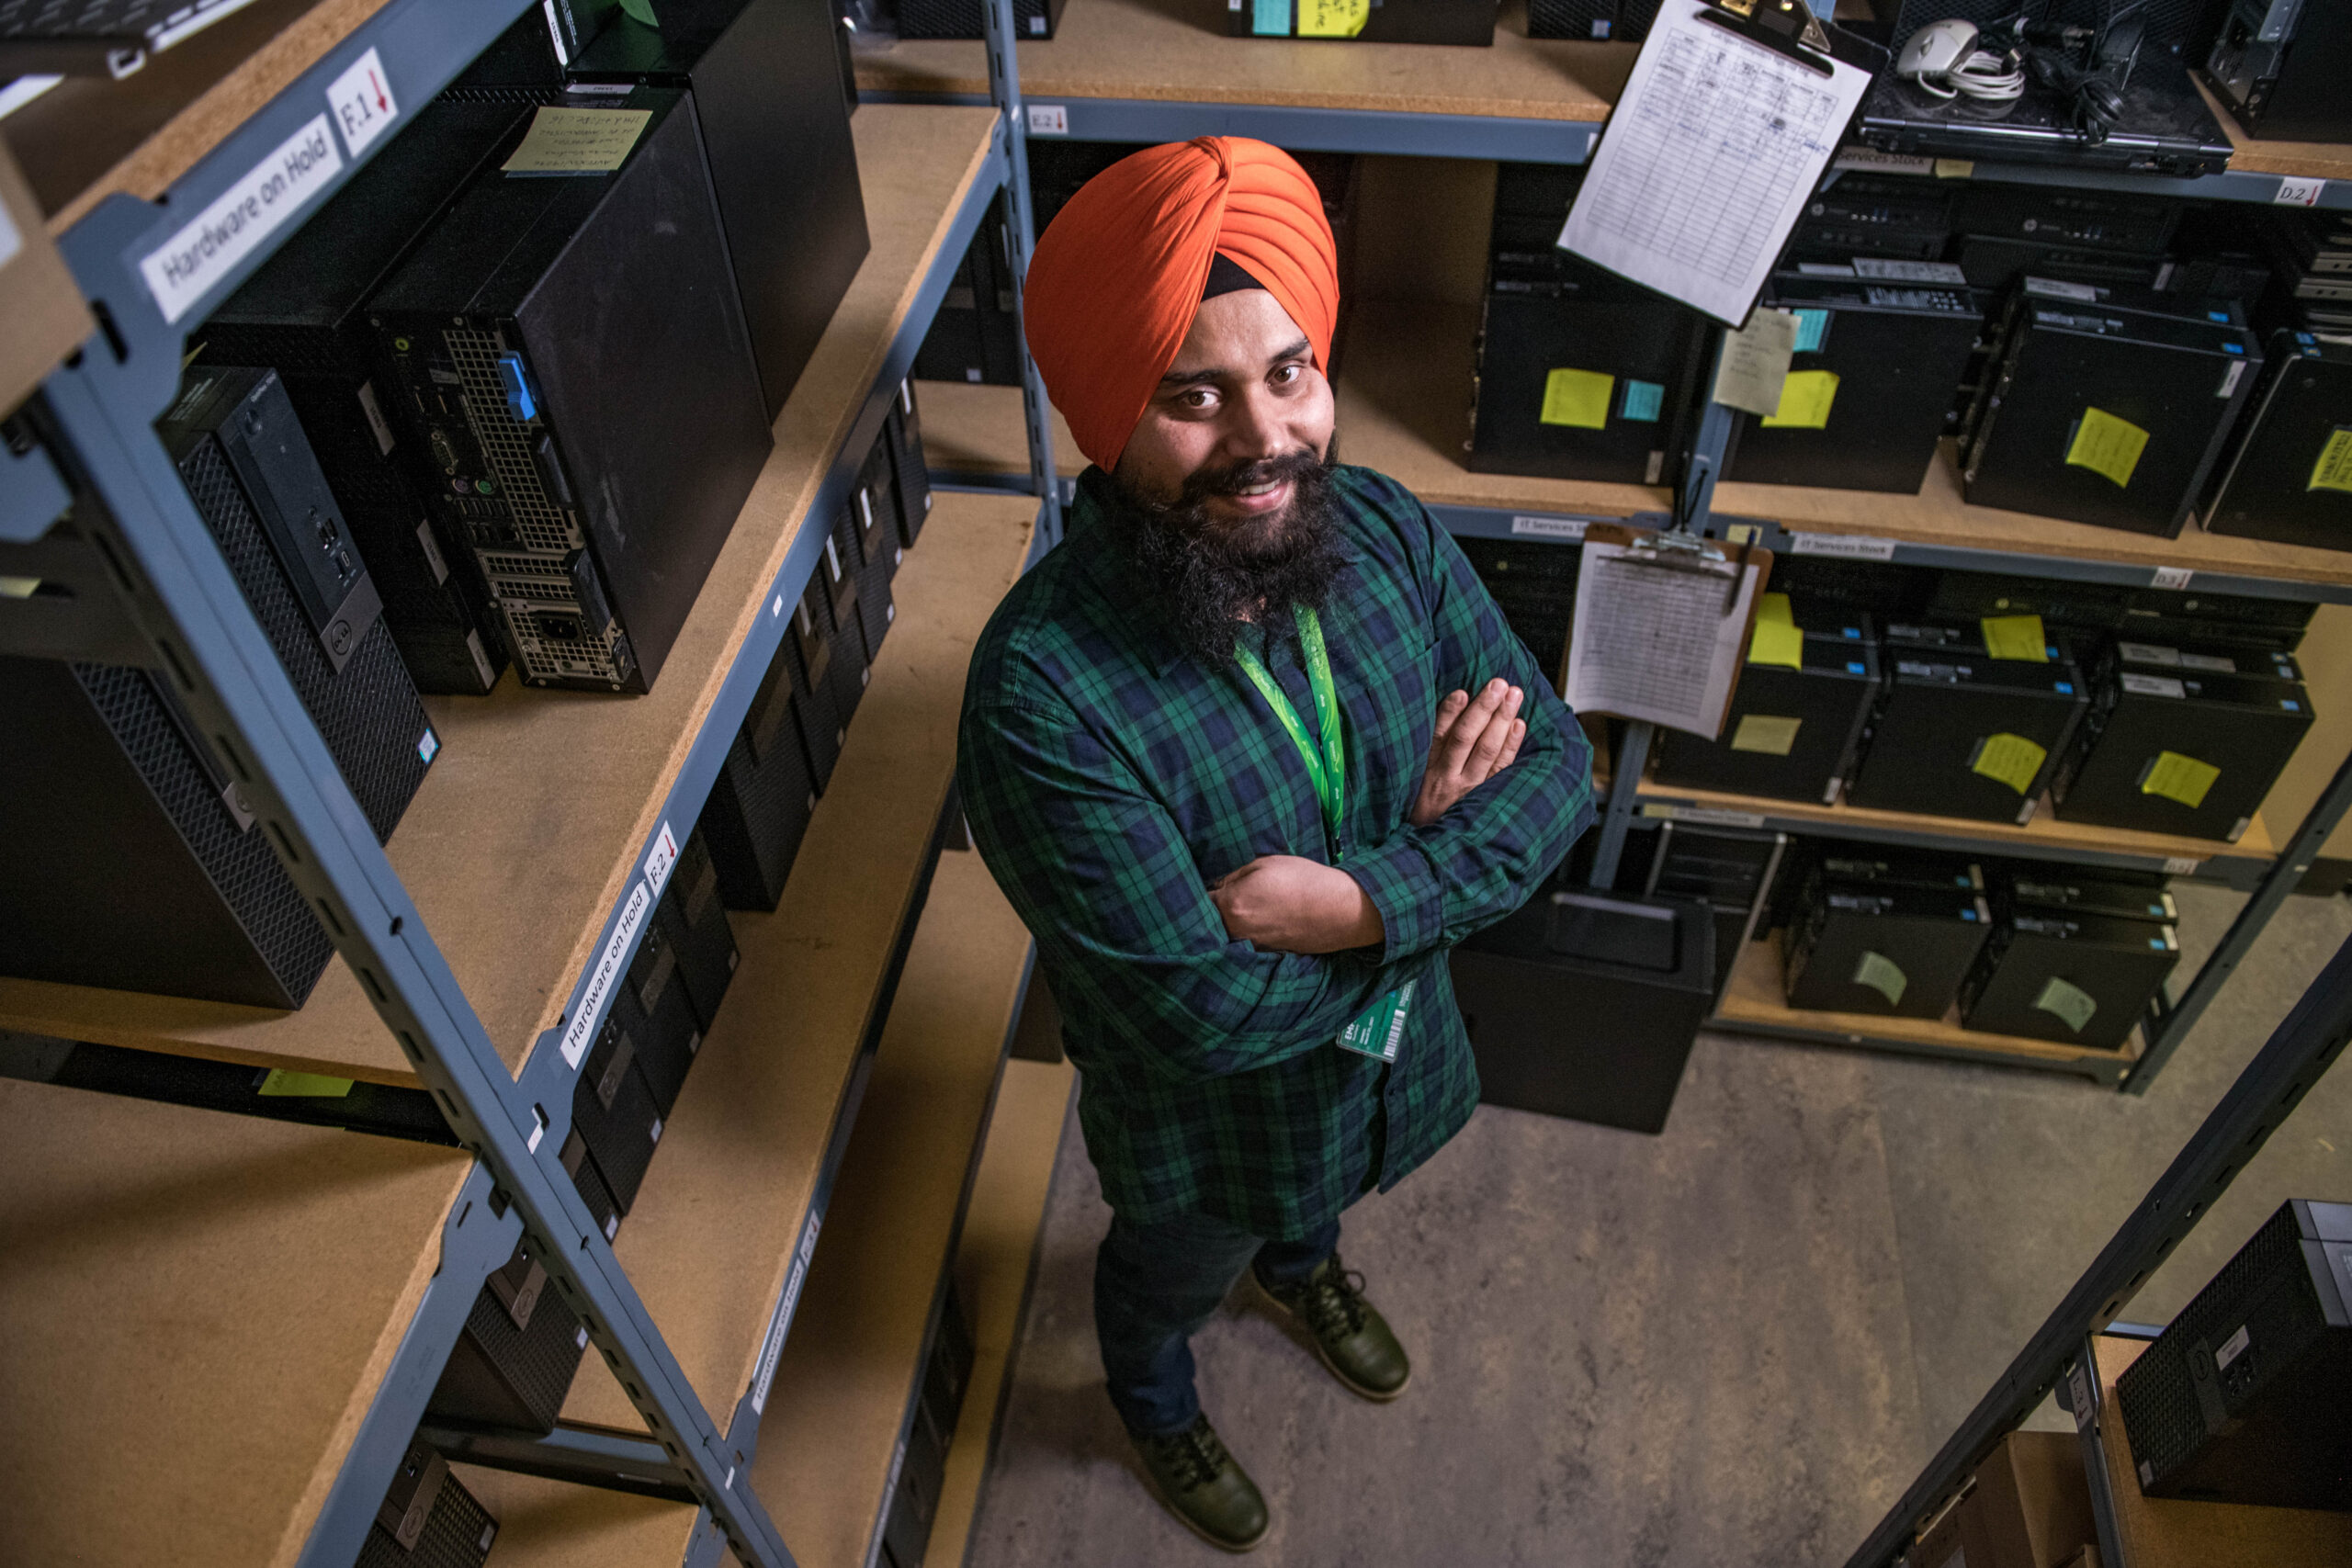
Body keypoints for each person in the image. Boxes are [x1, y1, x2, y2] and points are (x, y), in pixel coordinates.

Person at [956, 137, 1596, 1551]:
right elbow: (1195, 1012)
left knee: (1321, 1204)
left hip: (1374, 1066)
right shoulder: (1042, 698)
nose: (1264, 439)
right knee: (1172, 1267)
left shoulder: (1378, 527)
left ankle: (1305, 1268)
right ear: (1105, 411)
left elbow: (1559, 768)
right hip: (1206, 1131)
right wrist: (1436, 880)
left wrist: (1365, 899)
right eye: (1193, 395)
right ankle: (1151, 1394)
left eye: (1289, 374)